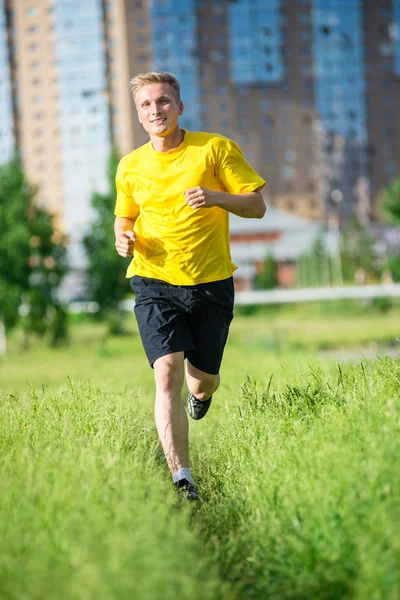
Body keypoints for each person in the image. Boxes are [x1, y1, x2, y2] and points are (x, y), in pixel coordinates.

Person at [114, 71, 266, 500]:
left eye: (163, 101)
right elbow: (123, 217)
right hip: (153, 278)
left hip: (210, 282)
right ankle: (182, 477)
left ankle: (203, 398)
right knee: (166, 374)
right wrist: (121, 236)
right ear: (139, 114)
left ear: (179, 107)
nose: (155, 110)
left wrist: (217, 197)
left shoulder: (215, 149)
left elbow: (257, 205)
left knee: (201, 384)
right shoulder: (130, 165)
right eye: (146, 104)